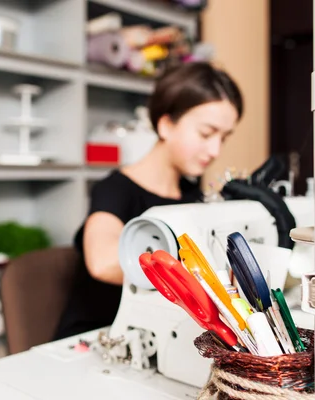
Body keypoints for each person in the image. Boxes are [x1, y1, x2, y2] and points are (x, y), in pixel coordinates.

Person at [53, 61, 244, 340]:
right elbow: (103, 263)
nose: (215, 150)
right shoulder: (115, 189)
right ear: (166, 124)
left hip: (158, 338)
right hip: (97, 340)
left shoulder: (192, 198)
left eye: (224, 138)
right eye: (206, 133)